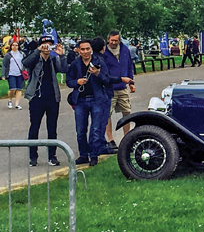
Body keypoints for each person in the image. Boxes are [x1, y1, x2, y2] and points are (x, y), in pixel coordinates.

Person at [67, 38, 130, 166]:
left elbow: (107, 80)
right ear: (78, 50)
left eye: (87, 49)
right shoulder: (75, 64)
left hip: (96, 99)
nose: (85, 52)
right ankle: (83, 154)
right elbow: (69, 81)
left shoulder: (99, 62)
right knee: (80, 130)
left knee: (95, 129)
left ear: (91, 50)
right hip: (81, 100)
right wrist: (76, 82)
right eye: (82, 49)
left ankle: (94, 155)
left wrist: (98, 73)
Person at [23, 35, 67, 167]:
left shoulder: (54, 59)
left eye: (50, 44)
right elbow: (25, 63)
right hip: (37, 97)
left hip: (52, 97)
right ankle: (33, 156)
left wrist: (62, 55)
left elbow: (64, 69)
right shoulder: (35, 58)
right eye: (45, 44)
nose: (47, 47)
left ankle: (52, 156)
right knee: (34, 126)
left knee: (52, 127)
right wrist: (38, 51)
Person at [103, 31, 137, 150]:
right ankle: (110, 139)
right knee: (107, 114)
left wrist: (131, 82)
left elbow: (129, 66)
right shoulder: (104, 52)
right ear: (108, 39)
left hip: (123, 86)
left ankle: (127, 137)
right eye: (112, 40)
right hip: (109, 87)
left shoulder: (124, 50)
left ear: (119, 40)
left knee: (126, 111)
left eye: (116, 40)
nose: (113, 42)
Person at [2, 40, 26, 110]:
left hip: (20, 74)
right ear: (11, 46)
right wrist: (3, 75)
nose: (14, 47)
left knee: (19, 89)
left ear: (18, 46)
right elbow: (4, 65)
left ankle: (17, 104)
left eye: (16, 45)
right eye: (13, 45)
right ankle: (10, 100)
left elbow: (25, 63)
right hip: (11, 73)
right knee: (12, 89)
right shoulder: (8, 55)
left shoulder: (21, 54)